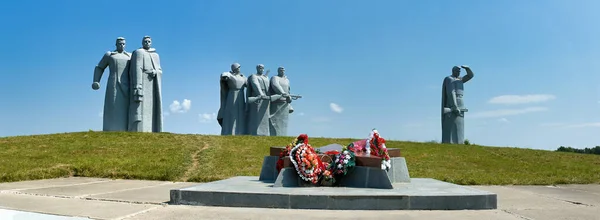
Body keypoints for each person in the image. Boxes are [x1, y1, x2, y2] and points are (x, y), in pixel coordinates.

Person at [92, 37, 131, 131]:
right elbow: (99, 67)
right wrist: (96, 81)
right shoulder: (110, 55)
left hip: (127, 85)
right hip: (113, 83)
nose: (122, 45)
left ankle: (126, 129)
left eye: (123, 44)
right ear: (116, 44)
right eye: (119, 43)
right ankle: (111, 128)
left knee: (127, 107)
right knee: (113, 105)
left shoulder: (130, 56)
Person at [128, 36, 163, 132]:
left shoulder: (156, 55)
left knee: (151, 107)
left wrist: (156, 72)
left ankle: (152, 129)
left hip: (152, 84)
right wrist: (138, 84)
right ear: (142, 42)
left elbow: (159, 70)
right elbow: (136, 68)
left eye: (149, 41)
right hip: (142, 81)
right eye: (145, 41)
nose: (147, 43)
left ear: (151, 43)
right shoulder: (138, 53)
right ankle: (138, 129)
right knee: (140, 107)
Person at [441, 65, 474, 144]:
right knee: (451, 124)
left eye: (459, 71)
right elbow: (451, 92)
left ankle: (459, 142)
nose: (459, 73)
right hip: (452, 102)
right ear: (453, 71)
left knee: (460, 125)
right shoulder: (449, 79)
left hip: (461, 101)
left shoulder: (460, 79)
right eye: (457, 71)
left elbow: (470, 75)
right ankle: (450, 141)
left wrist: (467, 68)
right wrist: (454, 106)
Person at [217, 63, 248, 135]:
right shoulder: (229, 74)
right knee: (232, 114)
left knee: (241, 114)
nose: (239, 69)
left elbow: (248, 84)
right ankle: (230, 131)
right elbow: (224, 75)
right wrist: (225, 77)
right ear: (234, 68)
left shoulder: (242, 77)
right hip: (232, 95)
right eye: (238, 68)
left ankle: (241, 132)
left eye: (239, 67)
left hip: (241, 96)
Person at [246, 64, 272, 136]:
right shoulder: (253, 76)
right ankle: (255, 133)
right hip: (257, 97)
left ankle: (265, 133)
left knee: (265, 117)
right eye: (260, 68)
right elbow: (255, 85)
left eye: (263, 68)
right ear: (257, 68)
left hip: (266, 98)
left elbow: (269, 88)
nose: (262, 69)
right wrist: (260, 94)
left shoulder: (266, 77)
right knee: (256, 116)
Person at [268, 66, 293, 136]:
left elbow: (288, 90)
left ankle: (282, 135)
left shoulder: (287, 80)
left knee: (284, 122)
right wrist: (283, 93)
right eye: (280, 70)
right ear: (278, 71)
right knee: (275, 121)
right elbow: (275, 85)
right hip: (276, 102)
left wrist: (289, 97)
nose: (282, 71)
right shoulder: (275, 78)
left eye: (283, 70)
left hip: (285, 103)